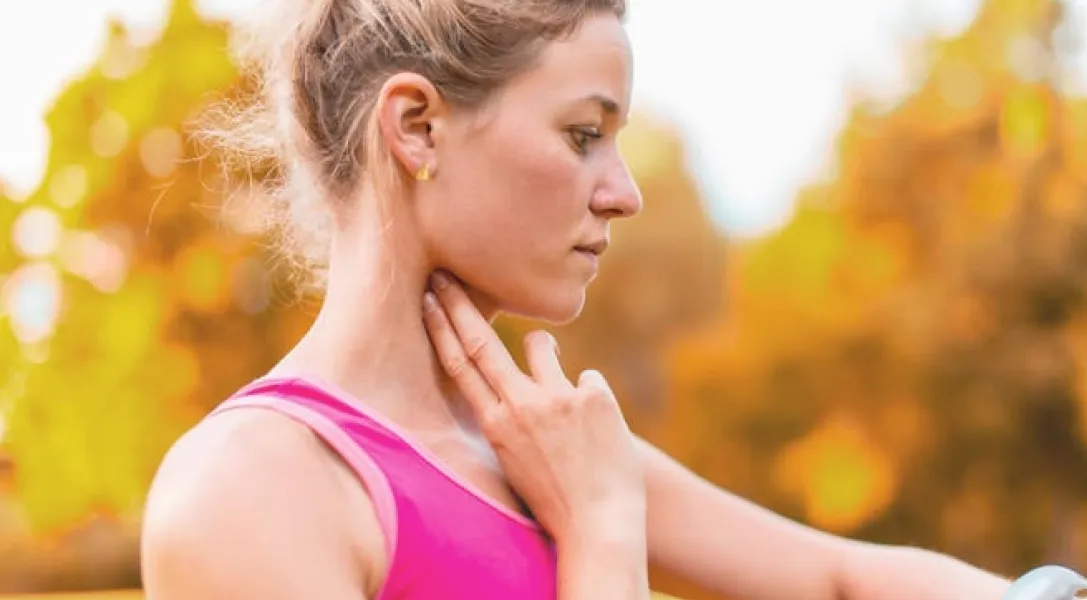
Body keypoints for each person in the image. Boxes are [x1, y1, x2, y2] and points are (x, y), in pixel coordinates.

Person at [139, 0, 1017, 598]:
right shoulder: (250, 489)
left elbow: (840, 582)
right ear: (416, 127)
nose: (625, 193)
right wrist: (600, 541)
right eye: (583, 135)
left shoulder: (548, 448)